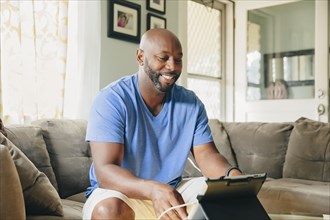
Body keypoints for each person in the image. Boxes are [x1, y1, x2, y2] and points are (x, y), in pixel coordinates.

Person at [83, 28, 241, 220]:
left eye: (178, 59)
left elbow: (207, 154)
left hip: (170, 189)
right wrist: (152, 190)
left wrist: (233, 179)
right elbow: (105, 171)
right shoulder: (111, 99)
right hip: (119, 193)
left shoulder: (191, 103)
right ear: (141, 57)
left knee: (224, 196)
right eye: (163, 58)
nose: (172, 66)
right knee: (108, 210)